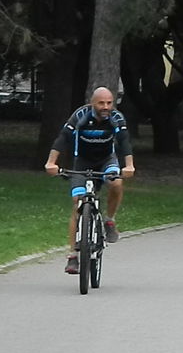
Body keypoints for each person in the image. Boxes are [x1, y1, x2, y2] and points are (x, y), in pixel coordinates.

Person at [44, 86, 135, 274]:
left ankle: (109, 220)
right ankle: (72, 256)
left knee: (116, 183)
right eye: (101, 103)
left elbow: (125, 142)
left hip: (106, 160)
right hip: (82, 162)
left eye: (109, 103)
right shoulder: (80, 115)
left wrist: (129, 166)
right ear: (92, 103)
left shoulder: (117, 118)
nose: (106, 107)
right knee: (77, 203)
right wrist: (51, 162)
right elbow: (63, 138)